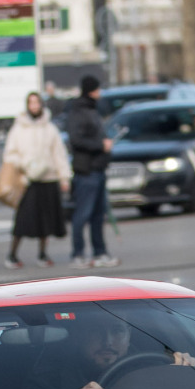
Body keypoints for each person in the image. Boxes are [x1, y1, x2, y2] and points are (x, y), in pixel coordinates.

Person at [63, 307, 195, 389]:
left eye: (117, 330)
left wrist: (191, 374)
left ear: (128, 336)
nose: (107, 341)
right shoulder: (52, 379)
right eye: (96, 331)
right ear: (78, 337)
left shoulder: (156, 368)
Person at [2, 91, 72, 269]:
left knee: (46, 220)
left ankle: (42, 253)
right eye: (31, 103)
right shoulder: (18, 129)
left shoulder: (50, 129)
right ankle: (12, 254)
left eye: (37, 102)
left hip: (48, 179)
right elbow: (10, 154)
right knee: (23, 220)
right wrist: (25, 165)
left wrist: (64, 177)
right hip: (27, 180)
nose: (34, 106)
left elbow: (59, 154)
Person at [64, 74, 115, 268]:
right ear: (91, 90)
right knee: (82, 214)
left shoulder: (92, 110)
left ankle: (100, 252)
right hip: (86, 171)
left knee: (97, 215)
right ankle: (77, 254)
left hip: (98, 169)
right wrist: (101, 146)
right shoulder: (78, 111)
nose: (100, 93)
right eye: (97, 89)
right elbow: (76, 140)